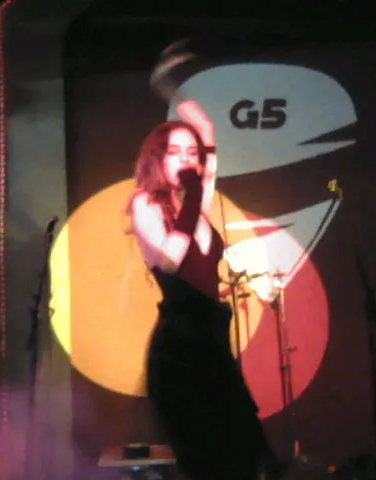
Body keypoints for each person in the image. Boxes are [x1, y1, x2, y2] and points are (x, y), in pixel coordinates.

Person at [128, 98, 288, 480]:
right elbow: (170, 261)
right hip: (181, 347)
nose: (186, 159)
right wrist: (193, 196)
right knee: (207, 457)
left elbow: (209, 149)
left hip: (212, 342)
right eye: (175, 152)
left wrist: (201, 123)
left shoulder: (195, 206)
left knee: (246, 453)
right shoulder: (146, 204)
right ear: (157, 159)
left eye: (191, 153)